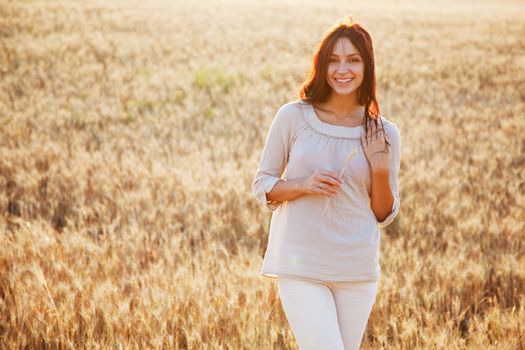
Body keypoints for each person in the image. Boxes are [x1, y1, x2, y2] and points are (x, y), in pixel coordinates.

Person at [251, 16, 401, 350]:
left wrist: (379, 168)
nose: (342, 69)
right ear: (322, 66)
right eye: (333, 60)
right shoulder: (293, 117)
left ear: (367, 66)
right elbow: (263, 184)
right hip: (301, 265)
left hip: (357, 270)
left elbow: (383, 213)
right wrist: (303, 184)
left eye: (352, 60)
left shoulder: (385, 133)